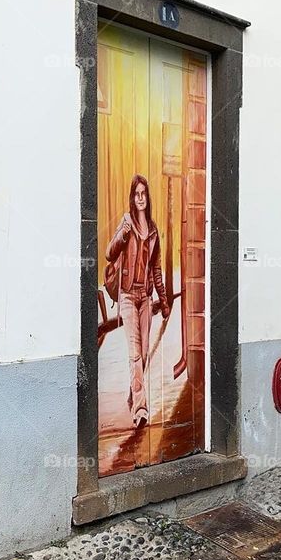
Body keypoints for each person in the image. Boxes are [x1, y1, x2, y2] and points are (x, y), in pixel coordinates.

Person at [105, 174, 170, 428]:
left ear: (148, 197)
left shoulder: (153, 231)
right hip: (128, 297)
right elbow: (110, 254)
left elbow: (156, 270)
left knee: (142, 354)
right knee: (134, 353)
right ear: (132, 197)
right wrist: (122, 234)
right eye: (136, 194)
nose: (140, 198)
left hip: (146, 297)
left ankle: (134, 394)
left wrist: (163, 300)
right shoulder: (127, 223)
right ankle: (141, 410)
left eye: (144, 194)